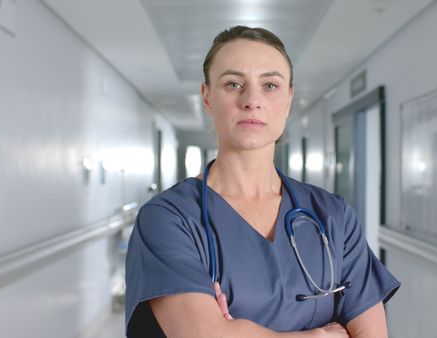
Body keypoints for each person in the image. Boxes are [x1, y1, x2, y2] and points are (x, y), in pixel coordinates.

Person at [125, 26, 400, 338]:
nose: (252, 100)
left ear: (288, 99)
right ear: (207, 97)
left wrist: (235, 330)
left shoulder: (333, 215)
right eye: (233, 84)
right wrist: (316, 335)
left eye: (270, 84)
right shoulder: (168, 218)